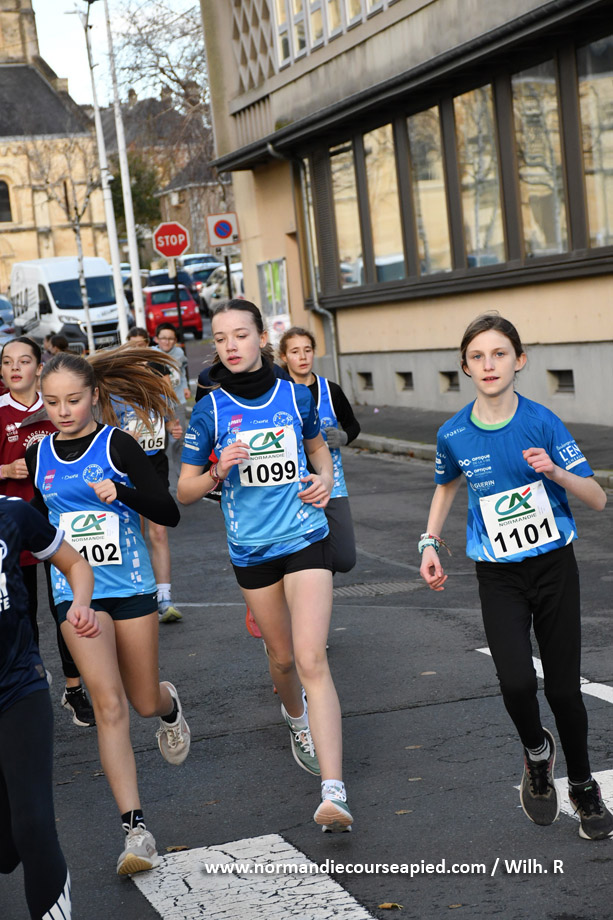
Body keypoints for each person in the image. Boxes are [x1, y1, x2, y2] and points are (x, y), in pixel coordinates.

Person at [419, 313, 613, 840]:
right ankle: (536, 751)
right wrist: (429, 541)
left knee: (565, 691)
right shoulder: (453, 433)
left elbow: (598, 498)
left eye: (499, 354)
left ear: (519, 361)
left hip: (554, 569)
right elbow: (446, 484)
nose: (489, 365)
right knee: (517, 683)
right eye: (477, 356)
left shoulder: (542, 422)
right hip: (498, 575)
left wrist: (554, 471)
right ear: (465, 367)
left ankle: (583, 786)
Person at [178, 299, 352, 832]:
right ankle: (296, 717)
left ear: (260, 339)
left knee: (311, 657)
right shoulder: (210, 410)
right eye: (221, 338)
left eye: (240, 335)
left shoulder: (295, 395)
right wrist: (217, 471)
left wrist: (324, 479)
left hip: (305, 535)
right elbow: (184, 491)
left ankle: (334, 791)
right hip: (252, 549)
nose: (230, 346)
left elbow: (318, 450)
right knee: (282, 658)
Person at [26, 347, 191, 875]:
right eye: (53, 402)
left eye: (73, 400)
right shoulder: (39, 456)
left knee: (141, 700)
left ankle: (168, 706)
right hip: (76, 595)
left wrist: (120, 490)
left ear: (94, 396)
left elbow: (167, 510)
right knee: (108, 705)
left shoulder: (117, 445)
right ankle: (136, 831)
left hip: (130, 587)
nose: (63, 411)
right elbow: (40, 530)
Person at [0, 494, 100, 920]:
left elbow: (75, 564)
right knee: (7, 846)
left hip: (18, 688)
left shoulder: (11, 513)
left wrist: (80, 603)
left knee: (34, 826)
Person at [0, 336, 95, 727]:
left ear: (40, 368)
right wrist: (5, 470)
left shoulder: (58, 405)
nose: (15, 368)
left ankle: (74, 689)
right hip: (12, 531)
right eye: (7, 362)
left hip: (58, 525)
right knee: (22, 611)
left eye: (24, 361)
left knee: (65, 608)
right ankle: (31, 682)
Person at [279, 326, 360, 574]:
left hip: (331, 483)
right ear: (284, 357)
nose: (303, 357)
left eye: (307, 350)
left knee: (344, 558)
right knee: (302, 555)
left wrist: (344, 437)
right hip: (293, 487)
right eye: (295, 351)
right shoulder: (278, 393)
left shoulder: (330, 390)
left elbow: (353, 425)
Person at [124, 326, 184, 623]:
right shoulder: (117, 396)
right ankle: (139, 592)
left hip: (155, 465)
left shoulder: (161, 395)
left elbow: (171, 424)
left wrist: (174, 429)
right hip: (125, 469)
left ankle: (164, 597)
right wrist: (124, 437)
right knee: (132, 531)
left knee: (158, 530)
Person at [153, 322, 191, 484]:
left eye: (170, 339)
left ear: (175, 340)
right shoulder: (151, 355)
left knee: (179, 438)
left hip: (177, 401)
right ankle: (158, 478)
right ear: (156, 339)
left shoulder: (179, 353)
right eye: (163, 338)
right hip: (158, 405)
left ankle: (182, 477)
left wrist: (186, 386)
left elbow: (182, 372)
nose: (167, 342)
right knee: (160, 441)